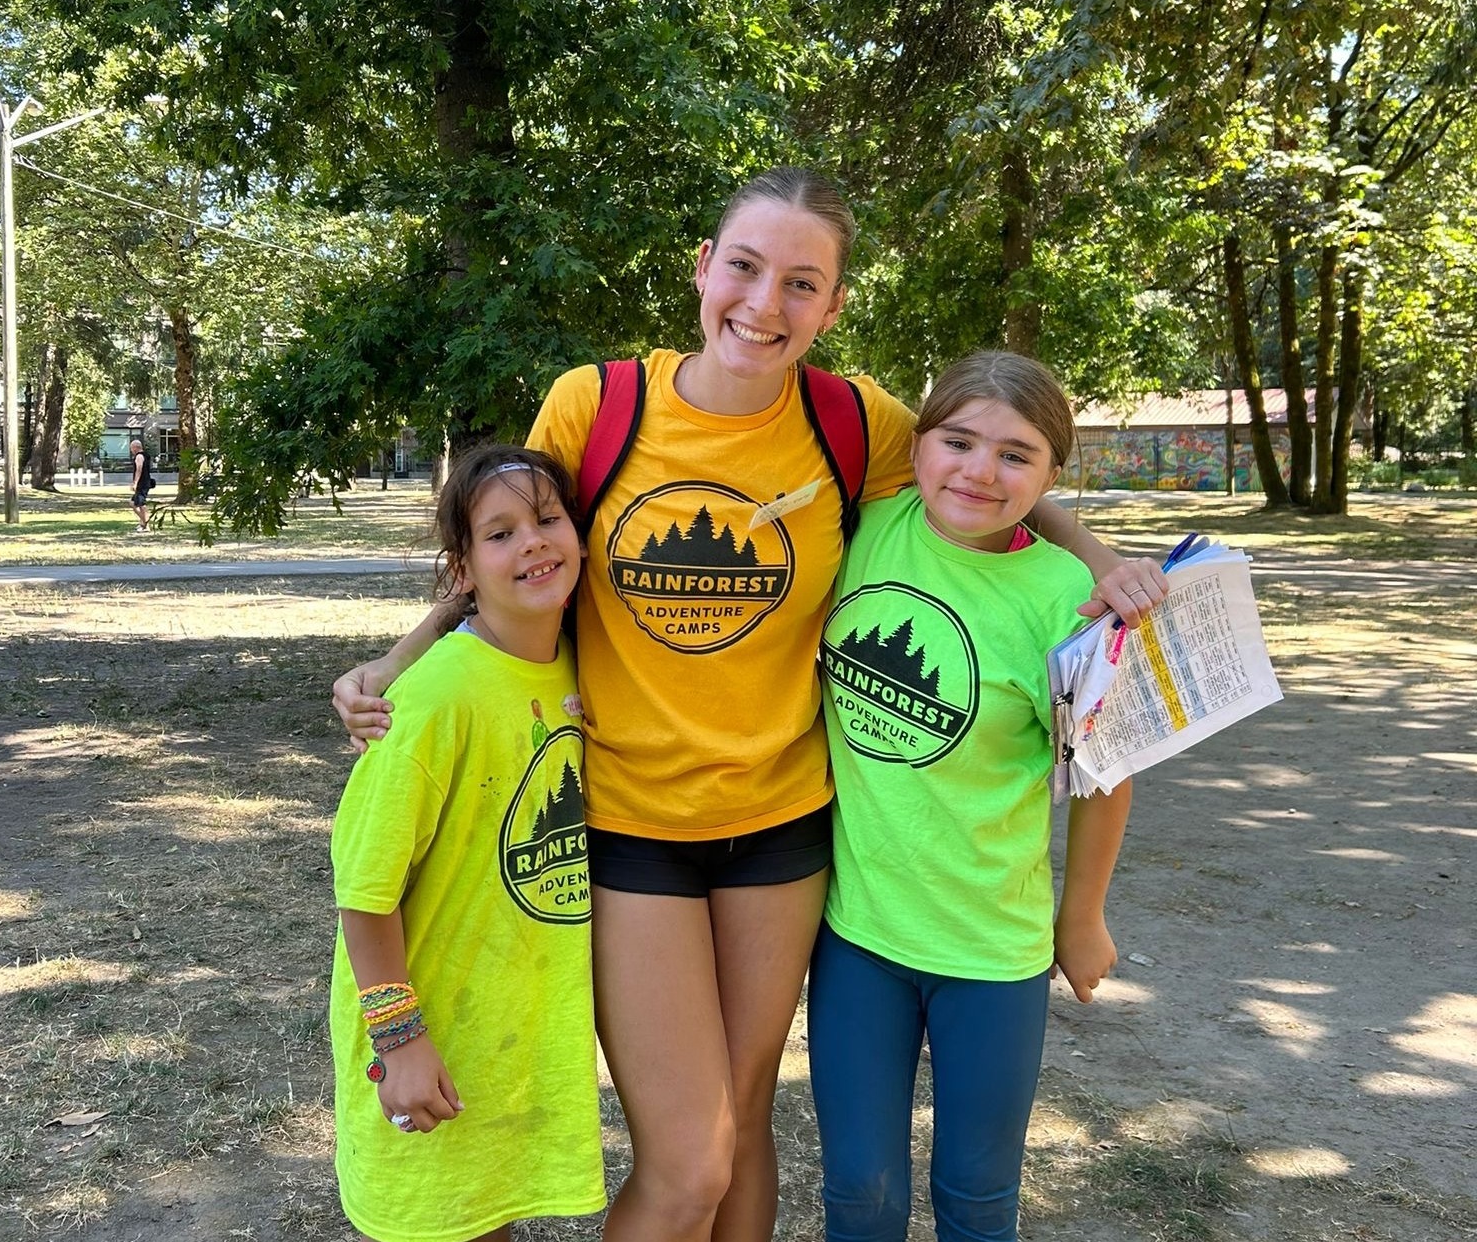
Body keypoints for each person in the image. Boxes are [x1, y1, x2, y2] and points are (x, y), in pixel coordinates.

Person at [332, 168, 1167, 1242]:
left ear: (833, 306)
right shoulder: (598, 404)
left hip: (783, 824)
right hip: (632, 821)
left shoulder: (852, 419)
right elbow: (514, 545)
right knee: (689, 1162)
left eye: (802, 283)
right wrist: (399, 658)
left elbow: (985, 460)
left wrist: (1097, 555)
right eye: (744, 266)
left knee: (743, 1125)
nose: (765, 304)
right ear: (703, 268)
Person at [808, 351, 1134, 1242]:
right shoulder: (862, 529)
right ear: (917, 445)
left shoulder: (1070, 601)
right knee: (860, 1192)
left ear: (1051, 475)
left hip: (992, 951)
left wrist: (1083, 917)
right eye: (958, 441)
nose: (980, 472)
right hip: (858, 934)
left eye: (1015, 455)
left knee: (978, 1196)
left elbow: (1104, 774)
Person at [329, 443, 604, 1242]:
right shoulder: (435, 700)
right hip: (428, 1032)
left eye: (548, 519)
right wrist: (400, 1037)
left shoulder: (581, 666)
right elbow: (365, 887)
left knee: (486, 1220)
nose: (533, 543)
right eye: (500, 533)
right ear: (463, 570)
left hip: (513, 1036)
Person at [129, 439, 153, 533]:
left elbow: (139, 469)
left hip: (142, 484)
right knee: (133, 503)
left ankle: (146, 525)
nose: (131, 450)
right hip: (145, 482)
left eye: (131, 448)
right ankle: (143, 522)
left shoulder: (139, 456)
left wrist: (135, 482)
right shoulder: (146, 455)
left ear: (135, 447)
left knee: (141, 505)